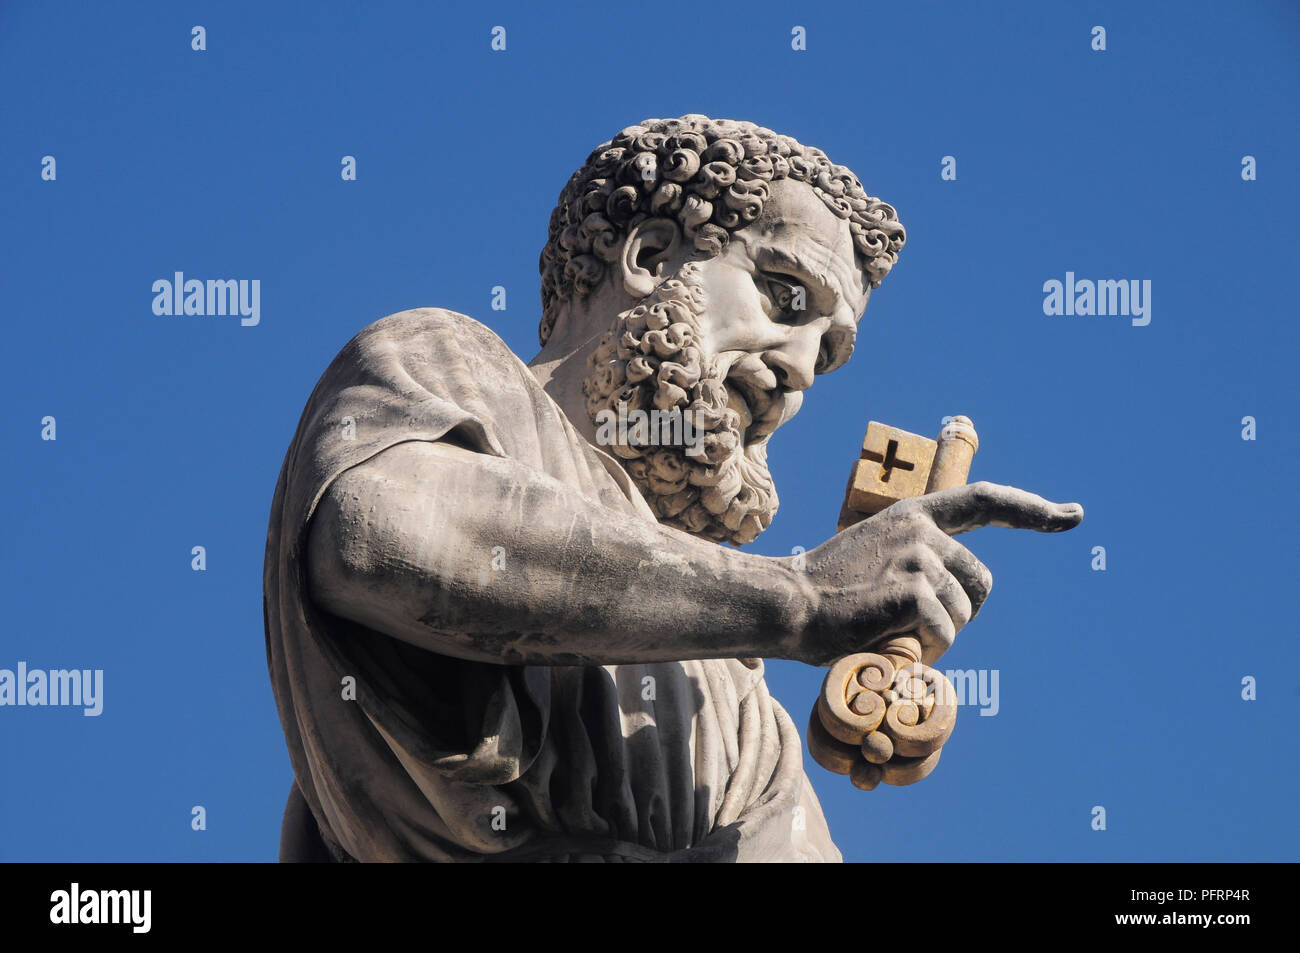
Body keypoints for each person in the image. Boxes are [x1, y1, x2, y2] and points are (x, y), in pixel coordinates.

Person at [264, 115, 1083, 862]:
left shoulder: (736, 691)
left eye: (826, 353)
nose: (797, 368)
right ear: (650, 256)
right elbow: (375, 534)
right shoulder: (450, 368)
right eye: (784, 296)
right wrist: (799, 598)